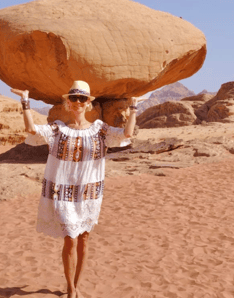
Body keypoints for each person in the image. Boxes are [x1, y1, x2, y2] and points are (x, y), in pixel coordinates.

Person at [11, 80, 141, 298]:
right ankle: (71, 288)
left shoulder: (100, 130)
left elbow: (127, 134)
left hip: (89, 194)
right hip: (63, 193)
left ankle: (77, 285)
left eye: (82, 98)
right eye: (74, 98)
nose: (78, 102)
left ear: (88, 103)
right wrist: (25, 101)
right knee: (70, 238)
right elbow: (31, 129)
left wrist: (134, 107)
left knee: (84, 239)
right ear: (68, 103)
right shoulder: (58, 129)